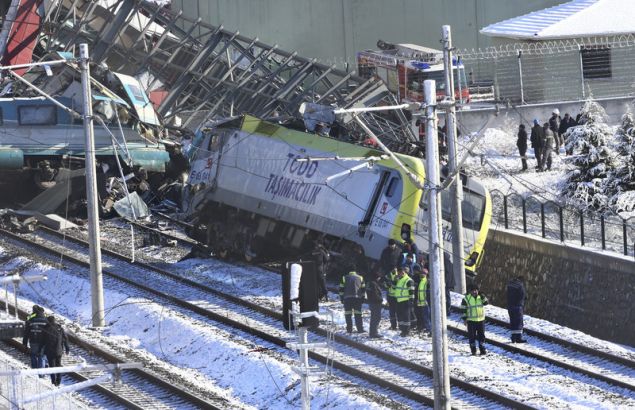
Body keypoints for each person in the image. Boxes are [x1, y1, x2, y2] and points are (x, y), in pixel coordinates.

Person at [460, 283, 489, 355]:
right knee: (472, 336)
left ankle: (482, 349)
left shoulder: (481, 297)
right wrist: (464, 319)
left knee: (481, 336)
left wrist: (483, 296)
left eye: (476, 290)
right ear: (470, 291)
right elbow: (463, 309)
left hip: (481, 320)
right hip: (471, 321)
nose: (474, 292)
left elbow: (486, 303)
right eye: (473, 290)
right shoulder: (466, 299)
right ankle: (473, 350)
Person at [42, 316, 70, 386]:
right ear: (54, 320)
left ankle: (53, 381)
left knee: (52, 367)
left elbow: (42, 341)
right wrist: (67, 348)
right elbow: (65, 339)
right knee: (58, 365)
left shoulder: (45, 328)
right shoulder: (60, 328)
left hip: (49, 351)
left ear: (48, 321)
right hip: (58, 351)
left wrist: (40, 350)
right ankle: (58, 381)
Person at [339, 268, 366, 333]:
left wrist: (342, 298)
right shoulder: (360, 278)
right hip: (357, 299)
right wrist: (363, 298)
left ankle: (349, 329)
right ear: (355, 271)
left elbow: (341, 289)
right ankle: (360, 329)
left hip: (347, 299)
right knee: (358, 314)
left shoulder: (344, 278)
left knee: (348, 314)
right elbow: (363, 289)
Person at [23, 305, 48, 370]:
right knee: (41, 355)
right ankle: (41, 374)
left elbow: (26, 332)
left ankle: (34, 371)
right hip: (43, 341)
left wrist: (24, 343)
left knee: (33, 355)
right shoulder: (46, 319)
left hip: (33, 340)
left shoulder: (31, 318)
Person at [394, 266, 415, 337]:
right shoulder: (400, 279)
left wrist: (411, 301)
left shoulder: (408, 280)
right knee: (400, 316)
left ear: (403, 272)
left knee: (406, 317)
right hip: (399, 301)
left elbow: (411, 291)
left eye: (399, 273)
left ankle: (406, 331)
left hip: (405, 301)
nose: (398, 274)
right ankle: (402, 330)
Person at [507, 276, 527, 343]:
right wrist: (522, 303)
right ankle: (518, 338)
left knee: (513, 321)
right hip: (517, 306)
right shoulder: (520, 286)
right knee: (518, 322)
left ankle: (513, 337)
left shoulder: (510, 285)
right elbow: (522, 295)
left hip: (510, 306)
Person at [366, 271, 384, 338]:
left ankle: (372, 332)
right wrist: (380, 300)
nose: (379, 278)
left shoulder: (369, 283)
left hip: (372, 302)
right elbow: (375, 294)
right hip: (376, 303)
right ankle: (374, 333)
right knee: (376, 318)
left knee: (374, 317)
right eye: (378, 277)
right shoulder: (373, 284)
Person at [415, 266, 431, 335]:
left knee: (427, 316)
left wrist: (428, 301)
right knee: (424, 316)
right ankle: (426, 328)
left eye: (423, 273)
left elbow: (428, 293)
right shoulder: (420, 282)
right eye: (421, 273)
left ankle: (429, 329)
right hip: (421, 302)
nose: (421, 275)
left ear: (426, 274)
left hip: (426, 303)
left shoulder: (427, 282)